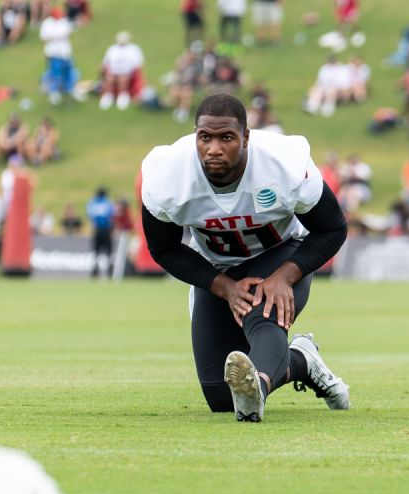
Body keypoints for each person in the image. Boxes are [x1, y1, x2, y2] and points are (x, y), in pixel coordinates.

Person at [139, 93, 350, 422]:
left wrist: (284, 276)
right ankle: (302, 362)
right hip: (219, 267)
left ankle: (259, 391)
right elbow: (163, 248)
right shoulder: (169, 174)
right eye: (205, 137)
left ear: (246, 138)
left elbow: (332, 229)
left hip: (280, 253)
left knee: (263, 315)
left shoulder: (283, 162)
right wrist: (223, 286)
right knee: (221, 398)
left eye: (226, 138)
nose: (214, 149)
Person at [101, 31, 144, 111]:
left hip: (127, 71)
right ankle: (108, 95)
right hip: (113, 71)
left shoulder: (134, 49)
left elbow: (138, 64)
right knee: (110, 79)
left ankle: (123, 96)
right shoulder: (112, 49)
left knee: (123, 78)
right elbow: (105, 62)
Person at [40, 7, 76, 104]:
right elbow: (44, 37)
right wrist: (56, 36)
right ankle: (54, 92)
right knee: (55, 74)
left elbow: (67, 33)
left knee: (68, 71)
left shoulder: (64, 21)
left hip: (65, 52)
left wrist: (55, 36)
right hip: (53, 53)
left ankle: (70, 89)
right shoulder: (47, 23)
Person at [86, 187, 115, 278]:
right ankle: (110, 272)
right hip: (106, 230)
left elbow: (89, 213)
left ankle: (94, 272)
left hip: (97, 230)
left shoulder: (92, 202)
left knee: (96, 252)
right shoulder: (108, 202)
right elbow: (111, 214)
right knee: (109, 252)